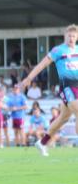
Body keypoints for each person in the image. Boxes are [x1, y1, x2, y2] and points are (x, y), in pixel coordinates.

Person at [20, 24, 78, 156]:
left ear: (77, 37)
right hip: (67, 87)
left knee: (63, 118)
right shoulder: (58, 50)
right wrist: (29, 78)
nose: (71, 38)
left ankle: (42, 142)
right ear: (65, 36)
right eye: (69, 36)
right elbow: (42, 64)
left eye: (74, 36)